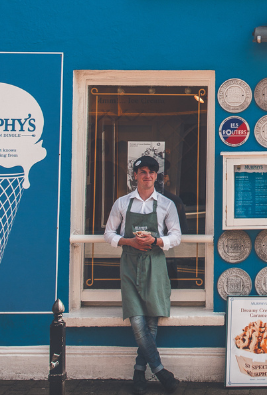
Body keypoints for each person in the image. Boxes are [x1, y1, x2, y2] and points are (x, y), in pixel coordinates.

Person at [104, 155, 181, 394]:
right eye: (143, 172)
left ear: (156, 177)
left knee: (151, 319)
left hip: (155, 264)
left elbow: (176, 236)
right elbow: (108, 233)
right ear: (135, 176)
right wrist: (129, 242)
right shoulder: (122, 203)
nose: (147, 176)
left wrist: (157, 240)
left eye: (151, 172)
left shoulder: (167, 205)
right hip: (129, 264)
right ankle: (160, 371)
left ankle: (139, 371)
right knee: (137, 320)